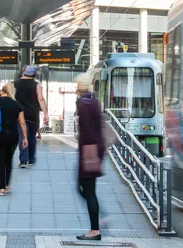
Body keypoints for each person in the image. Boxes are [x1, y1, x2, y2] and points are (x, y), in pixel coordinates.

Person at [74, 73, 104, 241]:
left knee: (87, 190)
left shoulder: (82, 103)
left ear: (80, 86)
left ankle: (95, 229)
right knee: (85, 189)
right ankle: (97, 223)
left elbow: (87, 131)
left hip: (88, 151)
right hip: (95, 149)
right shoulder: (93, 101)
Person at [14, 65, 48, 168]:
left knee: (22, 136)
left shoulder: (14, 84)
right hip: (33, 114)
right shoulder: (37, 85)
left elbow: (11, 99)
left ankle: (23, 160)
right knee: (32, 137)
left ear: (23, 72)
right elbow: (41, 99)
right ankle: (31, 159)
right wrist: (46, 114)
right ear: (35, 74)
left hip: (19, 114)